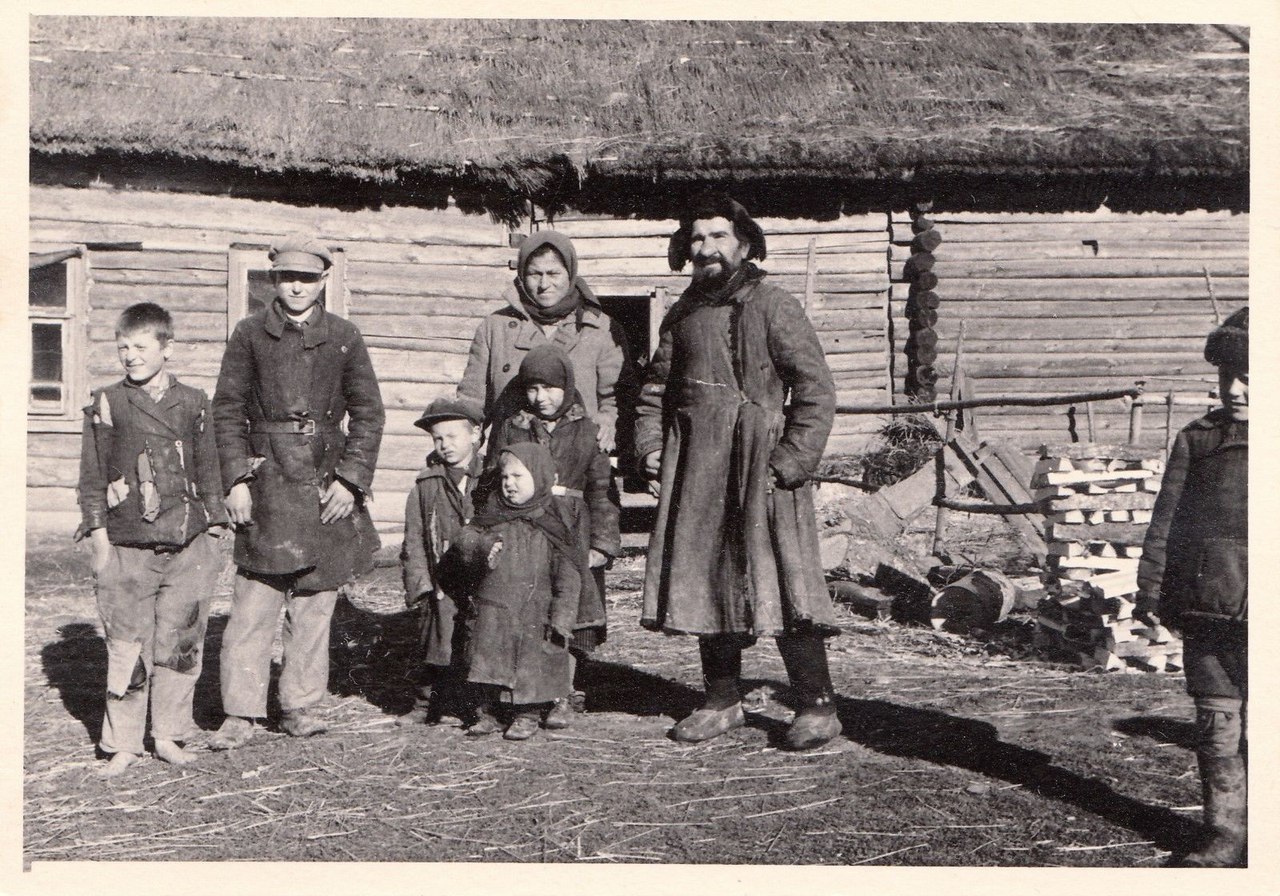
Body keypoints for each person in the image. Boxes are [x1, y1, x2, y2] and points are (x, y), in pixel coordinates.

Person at [634, 194, 842, 751]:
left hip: (763, 468)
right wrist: (650, 446)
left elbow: (816, 390)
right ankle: (722, 701)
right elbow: (655, 391)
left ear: (744, 245)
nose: (707, 248)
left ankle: (817, 706)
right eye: (697, 238)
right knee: (708, 577)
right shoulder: (683, 315)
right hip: (700, 469)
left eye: (719, 236)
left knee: (786, 580)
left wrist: (790, 460)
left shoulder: (774, 305)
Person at [209, 235, 385, 750]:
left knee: (314, 602)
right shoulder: (249, 334)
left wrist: (351, 480)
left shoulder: (345, 337)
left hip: (325, 482)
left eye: (307, 278)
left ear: (323, 281)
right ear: (273, 280)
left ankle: (301, 704)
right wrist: (236, 480)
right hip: (266, 481)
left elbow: (368, 413)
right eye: (287, 277)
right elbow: (227, 411)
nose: (296, 287)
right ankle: (240, 712)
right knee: (254, 603)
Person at [76, 302, 227, 776]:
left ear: (167, 348)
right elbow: (92, 476)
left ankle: (168, 735)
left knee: (181, 642)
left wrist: (215, 530)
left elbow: (210, 468)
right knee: (126, 645)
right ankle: (123, 743)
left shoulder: (194, 401)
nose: (131, 356)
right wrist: (100, 539)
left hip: (189, 545)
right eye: (123, 347)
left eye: (141, 347)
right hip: (127, 546)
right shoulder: (108, 402)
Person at [1137, 307, 1248, 867]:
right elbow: (1167, 521)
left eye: (1249, 376)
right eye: (1227, 375)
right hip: (1208, 609)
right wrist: (1152, 589)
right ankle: (1224, 834)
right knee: (1216, 722)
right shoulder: (1198, 440)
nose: (1234, 389)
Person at [484, 345, 620, 728]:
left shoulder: (587, 429)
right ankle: (526, 692)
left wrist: (602, 544)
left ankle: (565, 691)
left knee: (573, 609)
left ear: (567, 385)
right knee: (531, 606)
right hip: (525, 529)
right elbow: (493, 480)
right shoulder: (512, 426)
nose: (540, 397)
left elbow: (602, 490)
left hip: (573, 529)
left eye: (549, 388)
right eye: (532, 388)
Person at [458, 230, 631, 452]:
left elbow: (618, 399)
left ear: (570, 274)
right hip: (510, 458)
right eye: (534, 274)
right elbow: (471, 401)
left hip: (575, 457)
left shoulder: (599, 328)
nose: (544, 284)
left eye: (553, 273)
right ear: (522, 275)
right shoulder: (495, 328)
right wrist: (462, 442)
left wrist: (607, 422)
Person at [452, 443, 581, 741]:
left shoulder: (554, 521)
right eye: (505, 477)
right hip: (494, 607)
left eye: (518, 477)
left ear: (540, 476)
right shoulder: (491, 514)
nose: (509, 484)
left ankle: (528, 713)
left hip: (536, 610)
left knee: (531, 664)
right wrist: (482, 546)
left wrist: (563, 615)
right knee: (489, 660)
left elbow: (569, 573)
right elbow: (464, 540)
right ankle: (489, 713)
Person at [398, 396, 487, 727]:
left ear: (475, 434)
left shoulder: (491, 477)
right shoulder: (426, 485)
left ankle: (475, 707)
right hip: (442, 581)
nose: (445, 445)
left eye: (452, 436)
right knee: (437, 640)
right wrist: (421, 584)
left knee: (478, 641)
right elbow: (414, 539)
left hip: (481, 579)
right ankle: (427, 703)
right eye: (438, 438)